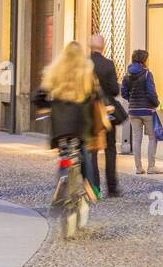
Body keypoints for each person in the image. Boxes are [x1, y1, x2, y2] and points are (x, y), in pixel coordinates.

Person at [31, 42, 107, 187]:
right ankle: (91, 188)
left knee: (64, 153)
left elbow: (36, 96)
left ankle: (61, 185)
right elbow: (97, 96)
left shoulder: (55, 71)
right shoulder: (86, 71)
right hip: (81, 124)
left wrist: (50, 106)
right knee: (84, 154)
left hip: (60, 126)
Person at [88, 34, 122, 197]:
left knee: (92, 150)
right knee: (110, 149)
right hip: (106, 111)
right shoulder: (108, 64)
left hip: (89, 112)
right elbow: (115, 90)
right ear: (103, 47)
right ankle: (112, 187)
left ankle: (95, 187)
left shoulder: (83, 65)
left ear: (89, 46)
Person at [120, 49, 163, 175]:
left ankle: (138, 168)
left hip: (133, 111)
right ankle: (151, 166)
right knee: (152, 138)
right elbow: (151, 92)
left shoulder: (127, 74)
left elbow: (123, 93)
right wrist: (156, 103)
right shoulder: (147, 74)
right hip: (147, 110)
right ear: (144, 60)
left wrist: (132, 100)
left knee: (137, 139)